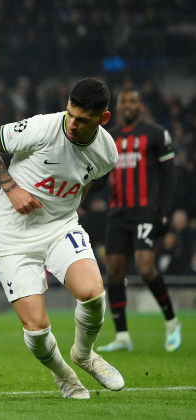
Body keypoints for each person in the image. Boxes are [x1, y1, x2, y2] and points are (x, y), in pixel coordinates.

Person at [0, 78, 125, 399]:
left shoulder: (107, 153)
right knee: (38, 330)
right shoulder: (42, 128)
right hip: (12, 234)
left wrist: (66, 212)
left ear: (103, 119)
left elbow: (84, 183)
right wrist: (12, 189)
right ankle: (65, 376)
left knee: (93, 294)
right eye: (70, 114)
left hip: (59, 227)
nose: (72, 124)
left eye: (82, 120)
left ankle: (84, 355)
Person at [97, 87, 181, 353]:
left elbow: (169, 176)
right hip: (118, 213)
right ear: (118, 107)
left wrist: (164, 212)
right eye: (124, 101)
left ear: (140, 106)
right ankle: (122, 336)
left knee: (145, 268)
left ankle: (172, 321)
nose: (129, 105)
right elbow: (99, 176)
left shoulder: (156, 135)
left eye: (133, 101)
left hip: (146, 211)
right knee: (114, 272)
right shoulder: (110, 138)